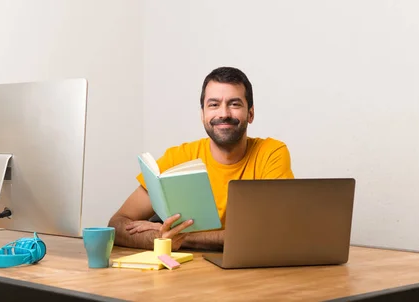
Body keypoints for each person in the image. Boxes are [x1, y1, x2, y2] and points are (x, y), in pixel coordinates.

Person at [108, 66, 294, 251]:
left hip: (249, 274)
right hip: (185, 273)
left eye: (234, 104)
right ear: (202, 114)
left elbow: (275, 232)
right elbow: (117, 224)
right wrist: (160, 237)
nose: (224, 113)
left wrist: (185, 236)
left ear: (250, 114)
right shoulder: (178, 158)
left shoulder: (271, 153)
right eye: (213, 104)